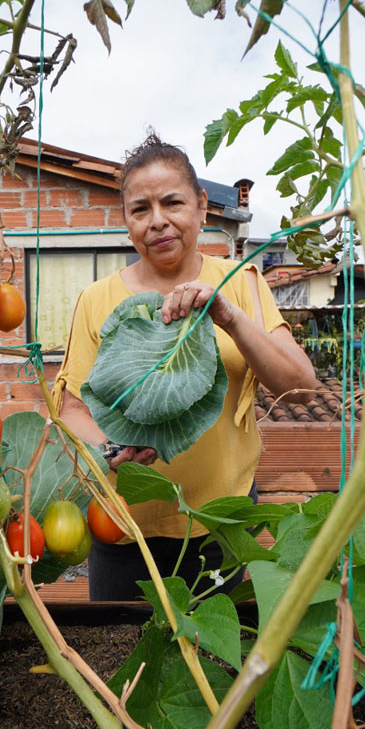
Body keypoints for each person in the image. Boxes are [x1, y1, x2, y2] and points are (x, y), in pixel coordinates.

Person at [53, 132, 318, 601]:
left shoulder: (242, 281)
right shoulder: (96, 300)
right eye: (140, 210)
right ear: (127, 222)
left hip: (220, 522)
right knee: (125, 657)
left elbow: (300, 388)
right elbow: (72, 408)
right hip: (123, 525)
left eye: (172, 203)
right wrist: (108, 447)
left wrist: (229, 317)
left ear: (200, 206)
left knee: (211, 664)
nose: (158, 222)